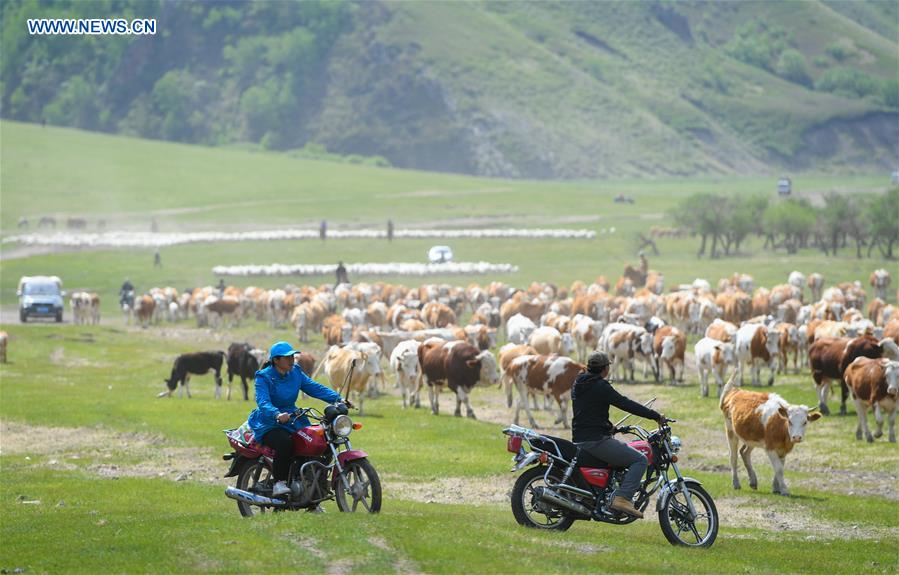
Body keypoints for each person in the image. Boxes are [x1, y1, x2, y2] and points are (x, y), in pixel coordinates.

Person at [247, 341, 351, 498]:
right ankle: (279, 483)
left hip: (293, 418)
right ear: (276, 360)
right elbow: (263, 402)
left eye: (292, 356)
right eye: (287, 357)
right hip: (269, 422)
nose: (292, 360)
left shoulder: (295, 372)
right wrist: (276, 414)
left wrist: (338, 398)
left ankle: (313, 492)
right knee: (285, 443)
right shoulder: (264, 377)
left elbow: (314, 387)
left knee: (320, 442)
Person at [571, 351, 666, 519]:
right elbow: (625, 403)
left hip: (581, 437)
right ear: (605, 369)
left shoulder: (578, 383)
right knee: (640, 460)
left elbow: (586, 412)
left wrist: (608, 426)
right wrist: (655, 415)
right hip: (596, 440)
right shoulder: (600, 386)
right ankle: (622, 498)